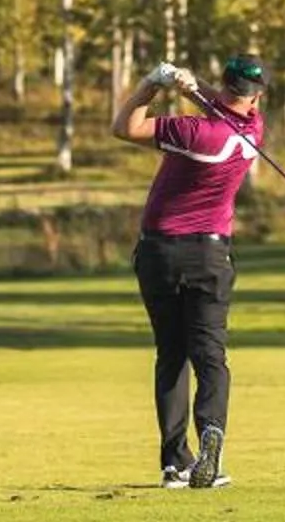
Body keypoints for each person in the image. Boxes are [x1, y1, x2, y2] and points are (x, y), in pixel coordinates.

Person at [114, 54, 269, 489]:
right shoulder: (252, 131)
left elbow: (125, 127)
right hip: (211, 257)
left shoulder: (191, 132)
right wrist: (190, 86)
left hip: (160, 253)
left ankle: (174, 462)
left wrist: (152, 85)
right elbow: (224, 111)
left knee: (172, 355)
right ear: (257, 96)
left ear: (224, 85)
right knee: (210, 355)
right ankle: (211, 438)